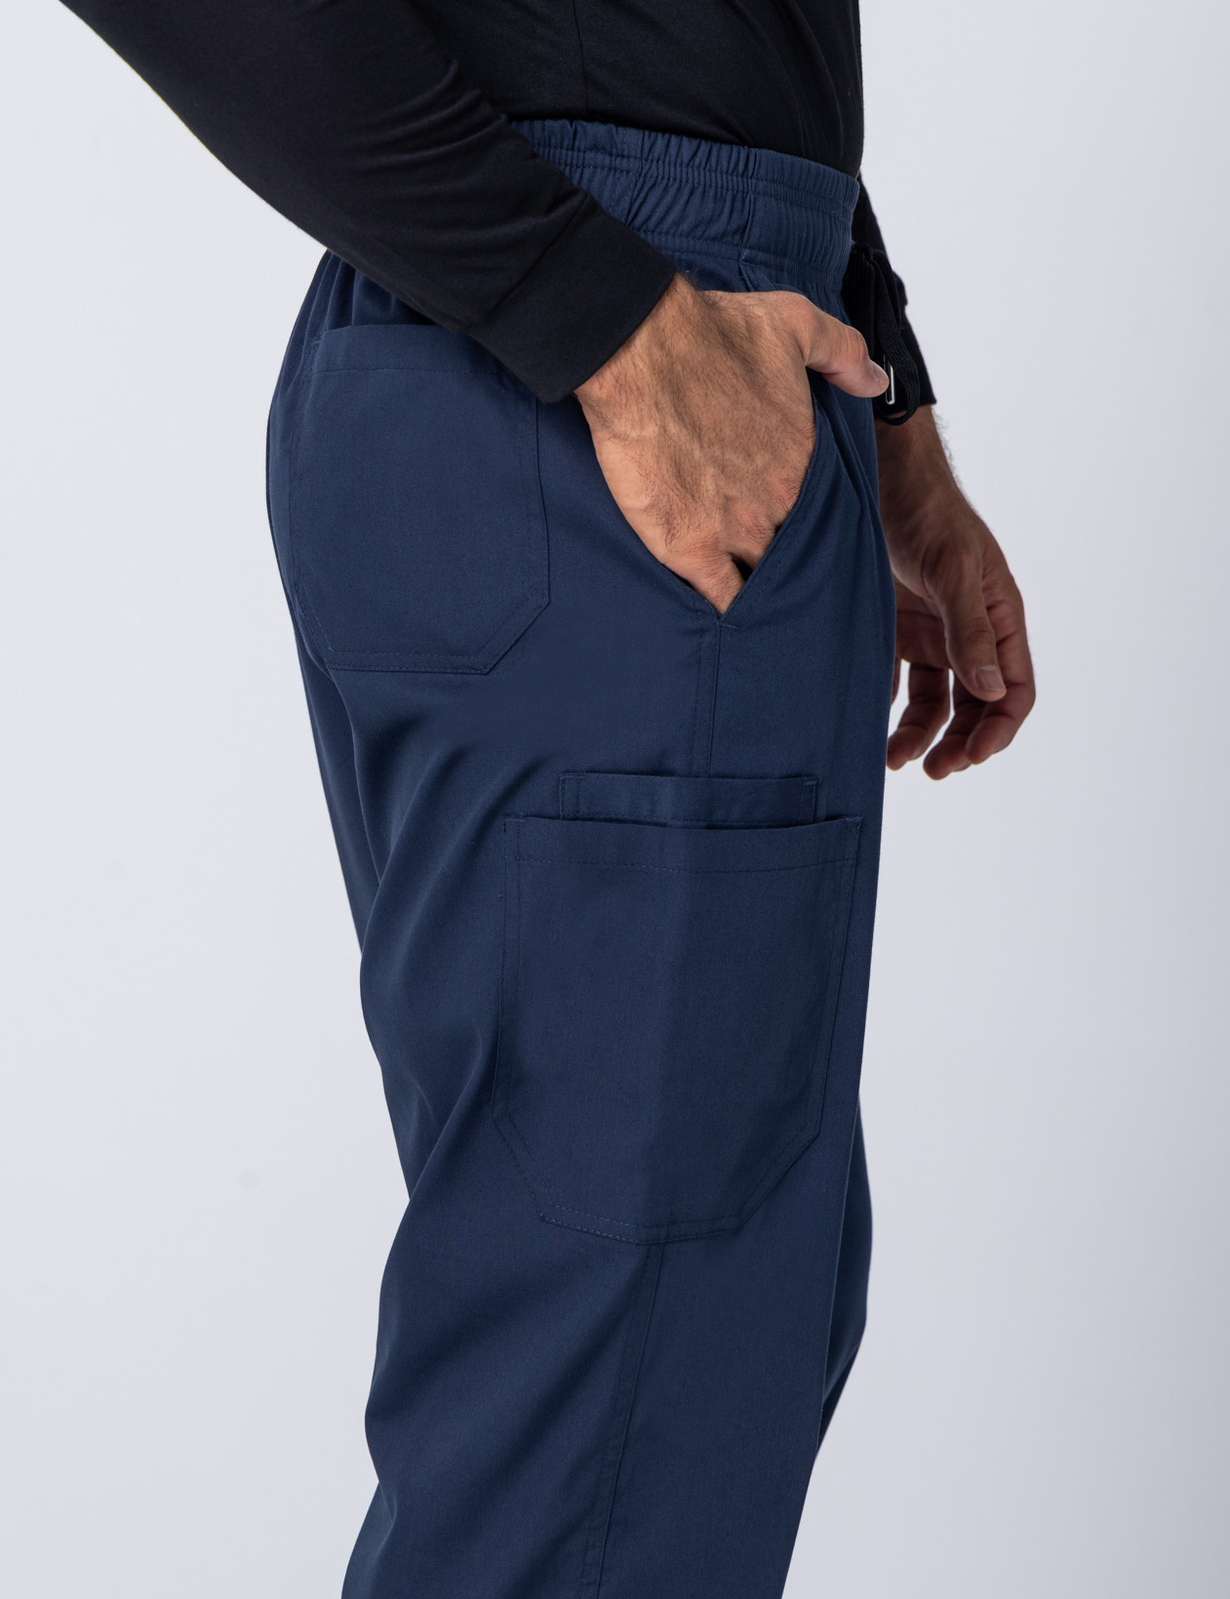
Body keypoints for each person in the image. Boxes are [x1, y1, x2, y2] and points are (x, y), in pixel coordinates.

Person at [57, 2, 1035, 1595]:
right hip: (595, 339)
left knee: (700, 1342)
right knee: (618, 1391)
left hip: (660, 323)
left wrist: (889, 408)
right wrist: (597, 310)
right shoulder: (596, 302)